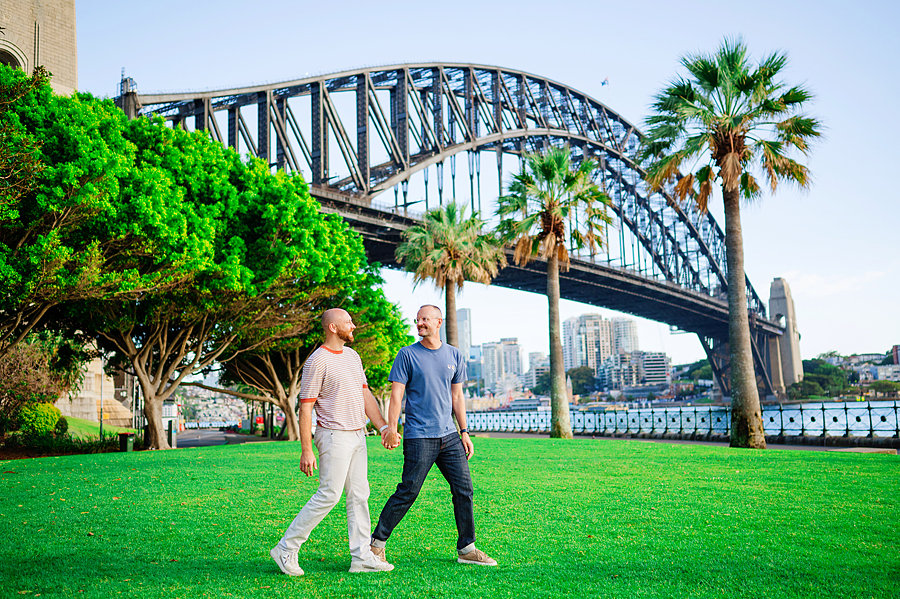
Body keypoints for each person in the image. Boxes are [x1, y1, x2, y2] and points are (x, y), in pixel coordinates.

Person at [270, 308, 399, 576]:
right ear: (332, 327)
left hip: (357, 435)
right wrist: (306, 450)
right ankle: (285, 548)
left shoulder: (353, 357)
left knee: (360, 495)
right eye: (348, 322)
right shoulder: (317, 361)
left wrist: (384, 427)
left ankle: (361, 557)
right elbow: (305, 408)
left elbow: (366, 396)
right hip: (332, 436)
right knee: (329, 494)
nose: (353, 326)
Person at [371, 304, 497, 566]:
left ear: (439, 322)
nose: (420, 324)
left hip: (450, 435)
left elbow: (457, 396)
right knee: (409, 490)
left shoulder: (454, 355)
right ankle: (376, 545)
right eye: (418, 320)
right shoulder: (406, 355)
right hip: (419, 436)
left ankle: (467, 549)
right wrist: (392, 429)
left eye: (425, 319)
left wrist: (464, 431)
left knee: (464, 489)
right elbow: (396, 396)